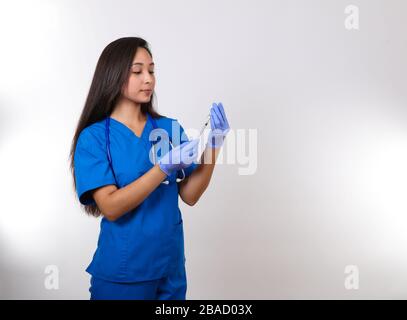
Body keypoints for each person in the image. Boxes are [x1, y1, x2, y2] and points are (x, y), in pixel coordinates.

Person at [68, 37, 230, 300]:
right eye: (137, 71)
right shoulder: (95, 138)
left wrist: (214, 145)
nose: (148, 79)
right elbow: (110, 206)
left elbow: (190, 195)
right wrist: (163, 167)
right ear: (113, 76)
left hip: (170, 269)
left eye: (152, 71)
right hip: (123, 275)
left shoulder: (168, 128)